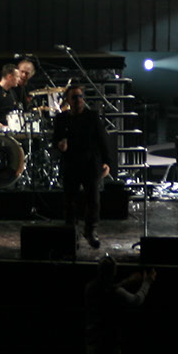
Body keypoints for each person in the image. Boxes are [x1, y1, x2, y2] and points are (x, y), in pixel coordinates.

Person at [54, 84, 113, 248]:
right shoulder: (62, 119)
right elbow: (55, 139)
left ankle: (90, 230)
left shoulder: (91, 116)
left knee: (93, 200)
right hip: (71, 164)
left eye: (80, 96)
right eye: (74, 97)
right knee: (70, 201)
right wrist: (60, 145)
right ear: (68, 100)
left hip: (90, 163)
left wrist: (107, 162)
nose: (79, 100)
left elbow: (102, 139)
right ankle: (71, 233)